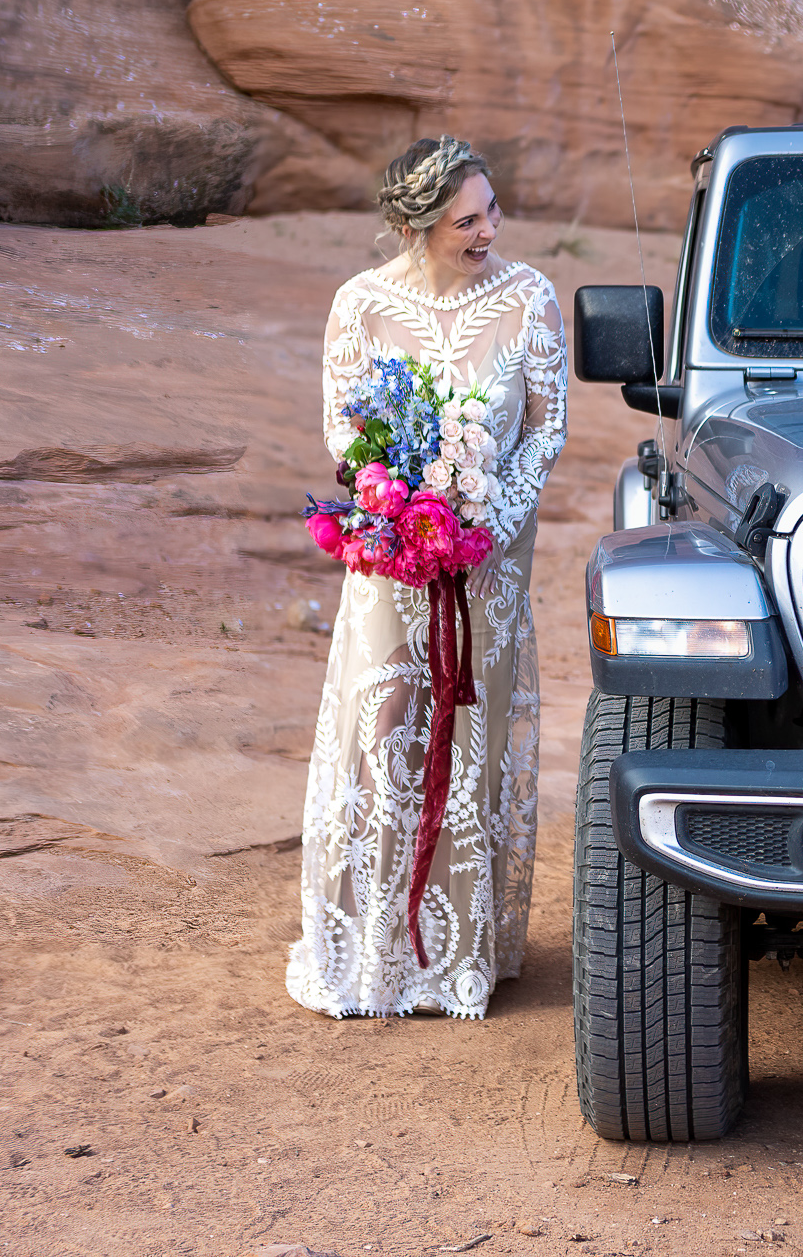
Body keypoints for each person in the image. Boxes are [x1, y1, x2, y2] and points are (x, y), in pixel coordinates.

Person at [287, 137, 566, 1019]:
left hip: (487, 562)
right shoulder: (360, 305)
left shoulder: (530, 300)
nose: (490, 228)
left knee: (469, 725)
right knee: (385, 733)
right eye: (467, 219)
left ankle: (457, 956)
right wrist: (407, 510)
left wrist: (485, 521)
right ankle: (372, 953)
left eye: (491, 209)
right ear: (414, 225)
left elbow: (544, 429)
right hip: (395, 559)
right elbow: (344, 433)